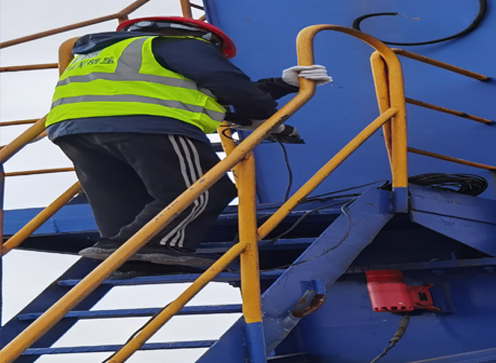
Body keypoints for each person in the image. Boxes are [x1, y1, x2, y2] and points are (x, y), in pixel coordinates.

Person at [45, 16, 331, 268]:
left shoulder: (103, 53)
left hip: (72, 130)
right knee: (204, 188)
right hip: (148, 124)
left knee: (121, 195)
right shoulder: (181, 44)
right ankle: (154, 245)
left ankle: (120, 256)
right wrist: (265, 116)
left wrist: (281, 85)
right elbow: (226, 83)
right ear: (202, 37)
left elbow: (200, 95)